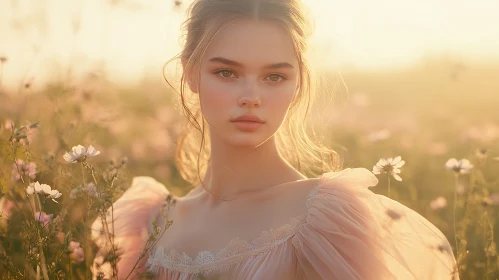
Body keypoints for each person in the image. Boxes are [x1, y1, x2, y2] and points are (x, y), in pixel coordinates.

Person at [91, 0, 460, 279]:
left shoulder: (325, 221)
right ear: (190, 74)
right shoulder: (152, 222)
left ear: (297, 82)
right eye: (226, 72)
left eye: (274, 77)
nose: (251, 96)